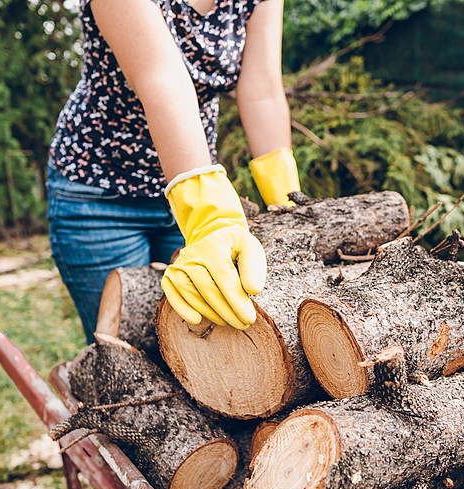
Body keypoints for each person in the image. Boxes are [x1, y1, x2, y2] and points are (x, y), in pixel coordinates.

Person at [47, 0, 300, 342]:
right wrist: (210, 216)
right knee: (124, 354)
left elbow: (262, 90)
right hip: (100, 197)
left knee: (202, 343)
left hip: (186, 191)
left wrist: (286, 201)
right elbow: (161, 76)